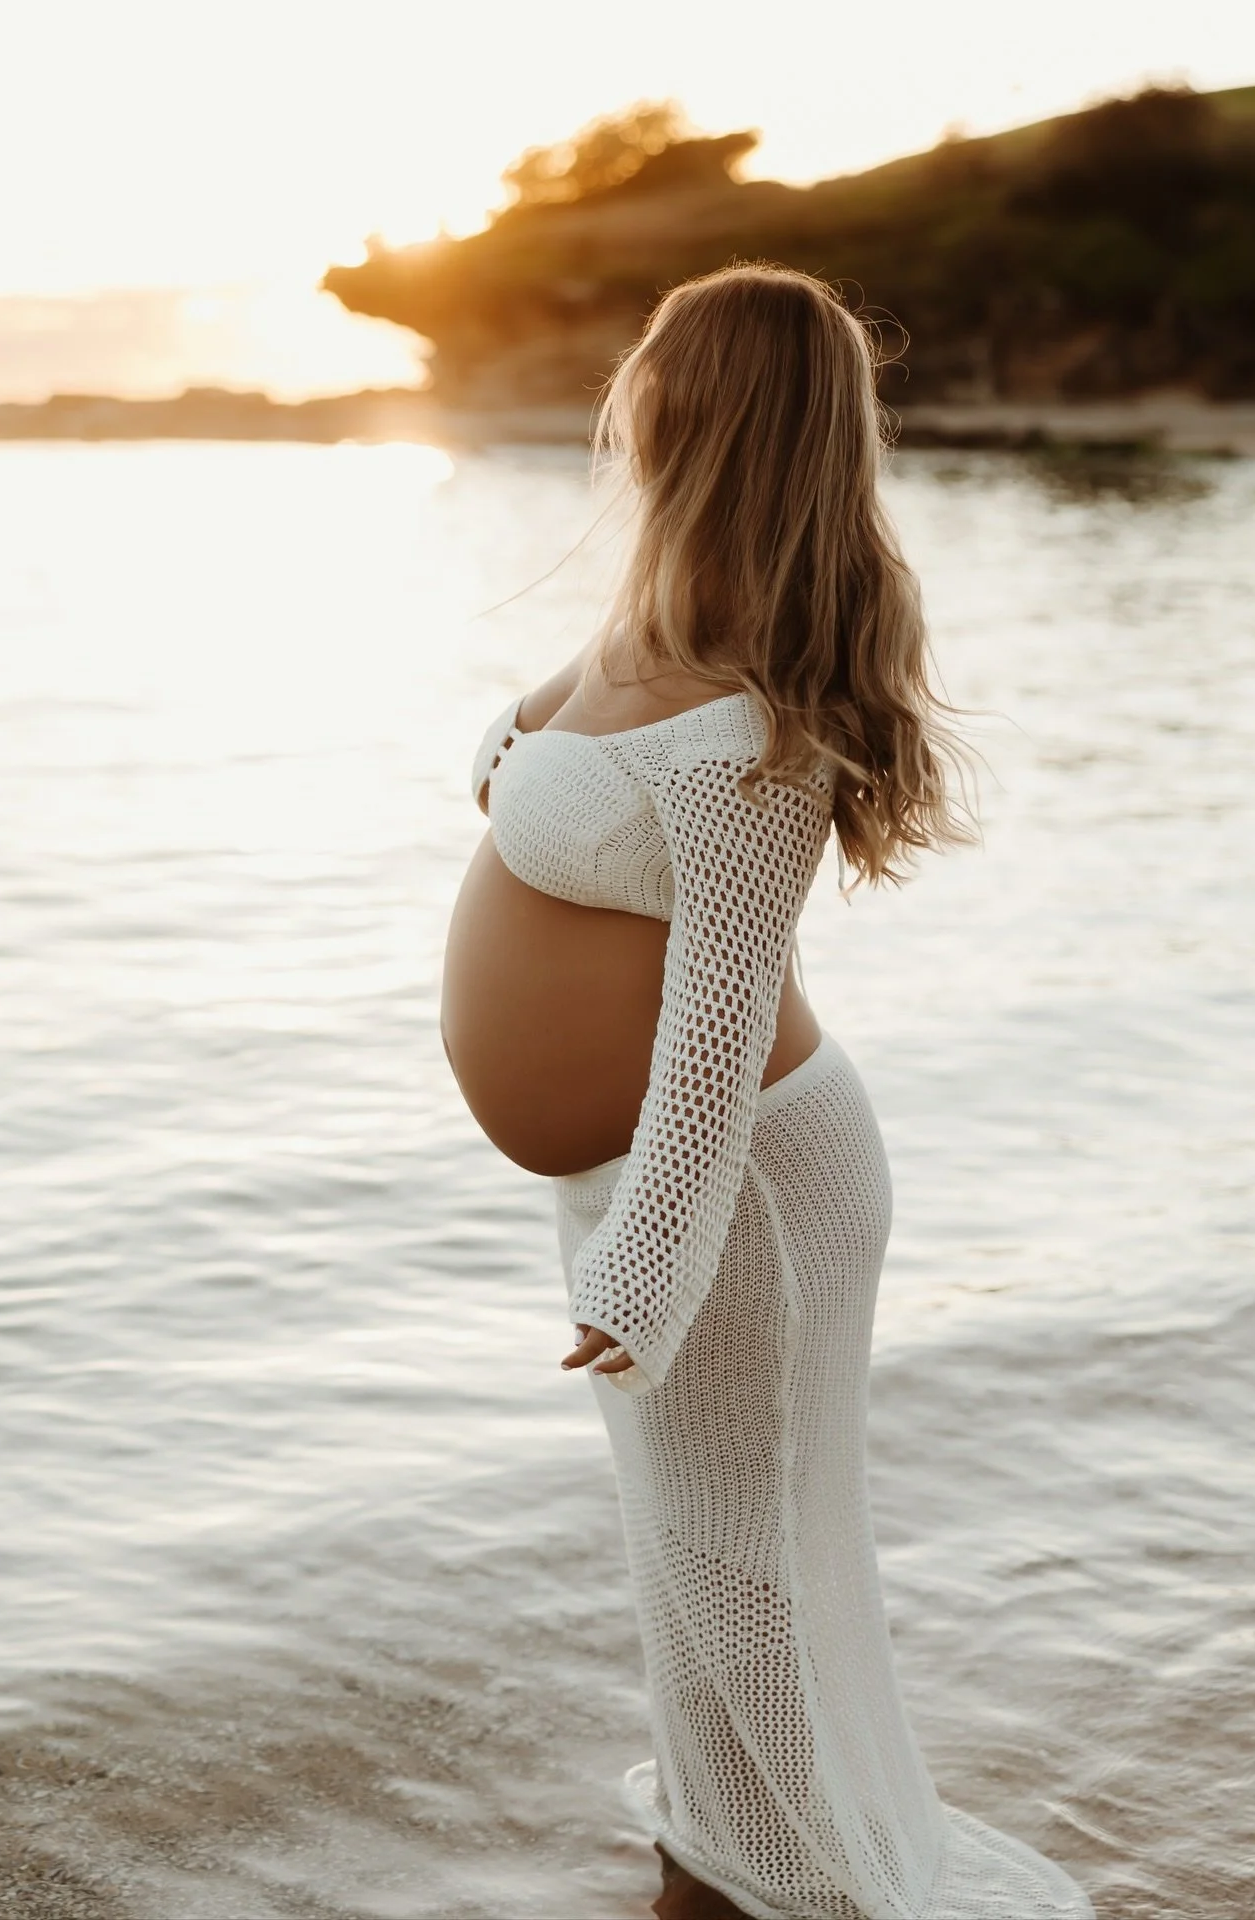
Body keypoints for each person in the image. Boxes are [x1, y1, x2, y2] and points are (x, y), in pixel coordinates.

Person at [441, 264, 1093, 1920]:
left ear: (696, 408)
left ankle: (774, 1889)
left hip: (744, 1196)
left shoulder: (757, 723)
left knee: (746, 1573)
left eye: (654, 365)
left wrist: (646, 1274)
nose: (625, 386)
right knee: (699, 1562)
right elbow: (532, 788)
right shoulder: (650, 622)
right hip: (655, 1184)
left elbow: (715, 1026)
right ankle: (723, 1867)